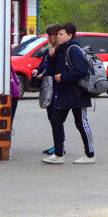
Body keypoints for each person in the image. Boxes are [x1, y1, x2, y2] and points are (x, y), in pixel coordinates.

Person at [41, 23, 95, 165]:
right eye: (57, 34)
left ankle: (90, 155)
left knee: (81, 123)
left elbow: (80, 70)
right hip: (64, 94)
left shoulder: (73, 49)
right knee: (56, 120)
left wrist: (63, 77)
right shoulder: (60, 51)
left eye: (61, 34)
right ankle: (58, 154)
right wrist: (51, 56)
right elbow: (52, 72)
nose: (58, 37)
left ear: (69, 36)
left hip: (78, 93)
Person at [34, 24, 61, 156]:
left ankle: (59, 146)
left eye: (52, 35)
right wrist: (37, 70)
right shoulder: (48, 51)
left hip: (57, 89)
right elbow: (43, 66)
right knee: (51, 117)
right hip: (48, 87)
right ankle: (57, 144)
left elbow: (53, 69)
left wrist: (46, 70)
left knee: (56, 118)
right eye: (48, 35)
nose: (49, 38)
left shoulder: (60, 51)